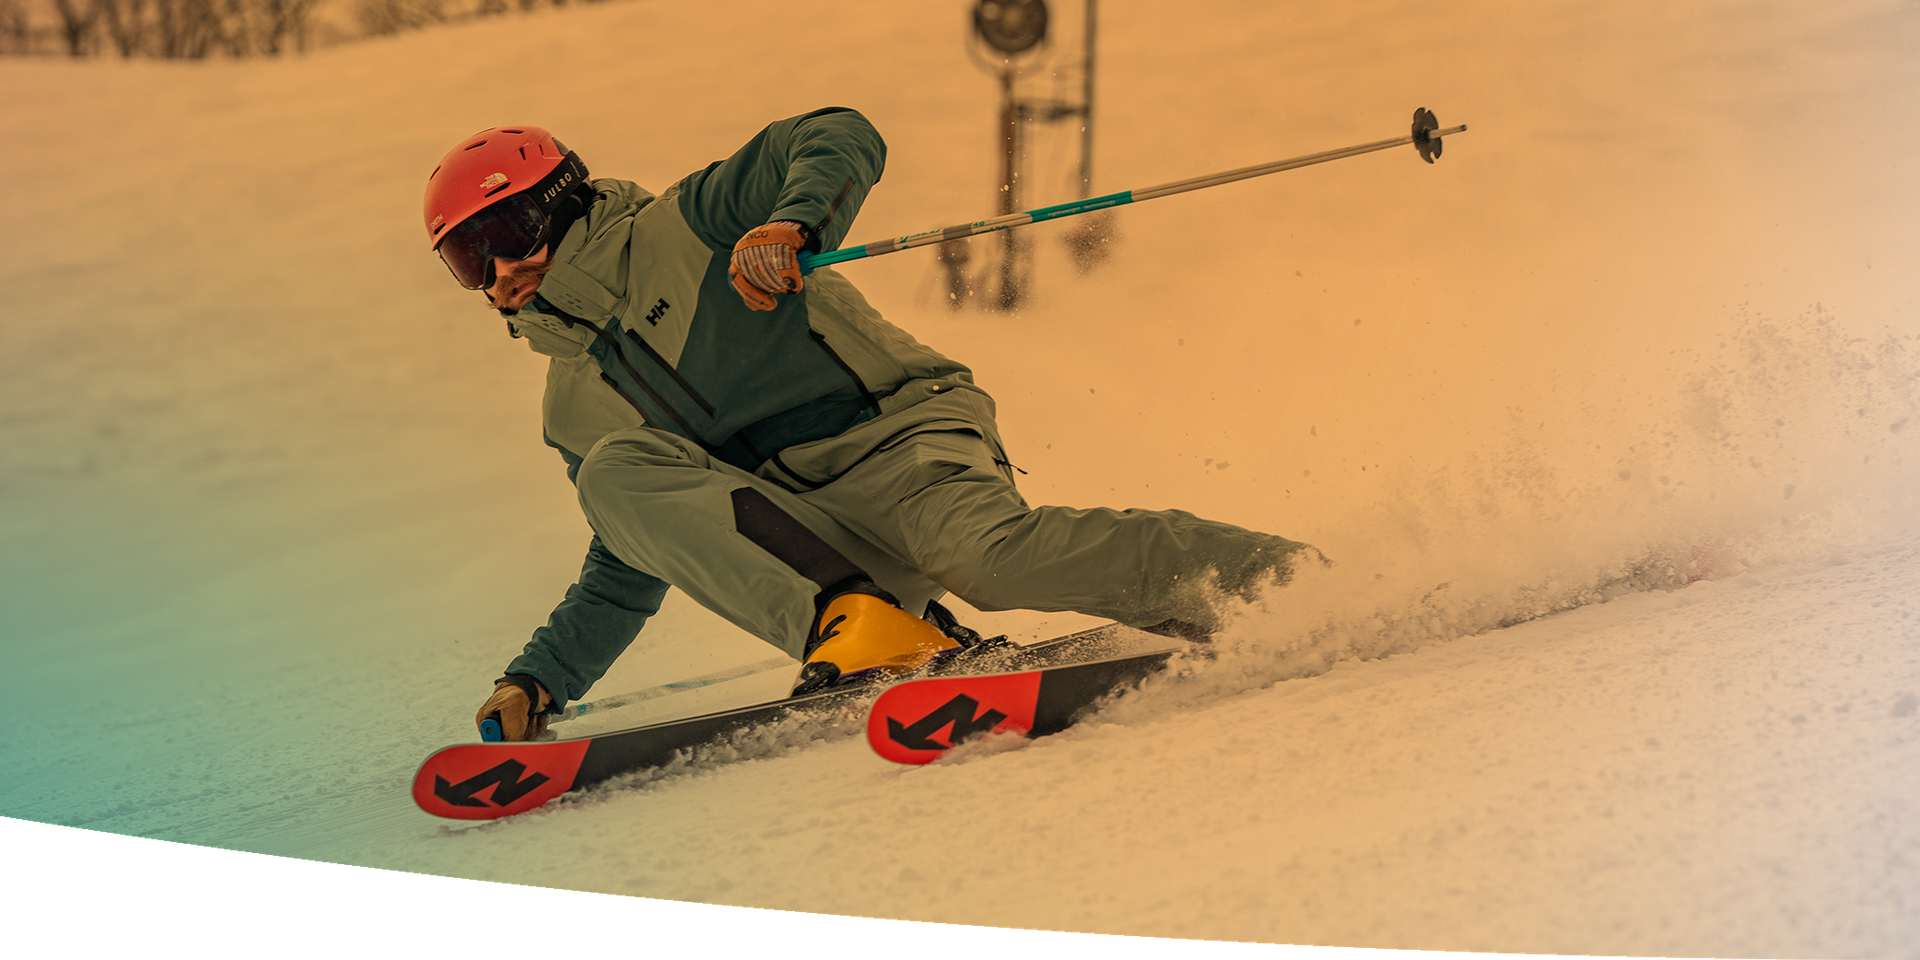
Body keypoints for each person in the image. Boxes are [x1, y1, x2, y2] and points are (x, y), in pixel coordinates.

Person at [422, 109, 1320, 741]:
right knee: (616, 475)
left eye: (506, 229)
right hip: (809, 537)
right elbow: (632, 556)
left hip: (898, 440)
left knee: (991, 562)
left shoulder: (689, 223)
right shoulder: (572, 405)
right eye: (468, 256)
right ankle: (868, 620)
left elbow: (840, 130)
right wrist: (540, 677)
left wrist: (789, 220)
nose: (498, 268)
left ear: (561, 198)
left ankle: (1285, 581)